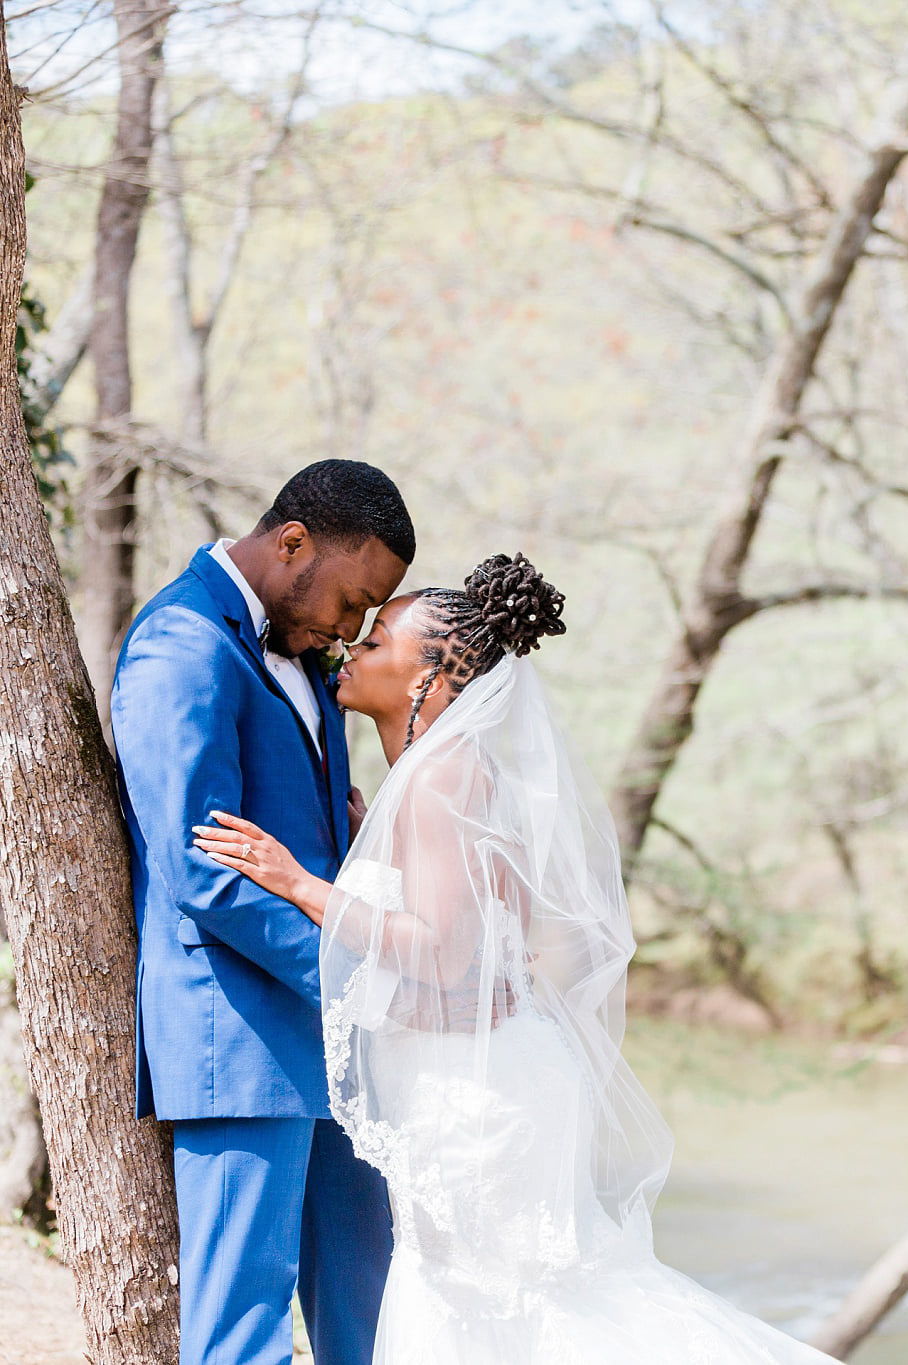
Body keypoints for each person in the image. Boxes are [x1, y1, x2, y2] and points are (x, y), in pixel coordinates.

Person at [192, 552, 841, 1365]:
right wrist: (366, 850)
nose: (352, 646)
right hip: (485, 1072)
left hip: (474, 1095)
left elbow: (440, 951)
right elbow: (488, 933)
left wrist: (297, 883)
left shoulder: (441, 780)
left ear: (431, 672)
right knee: (510, 1304)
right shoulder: (440, 777)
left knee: (501, 1305)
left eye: (380, 637)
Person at [112, 459, 411, 1365]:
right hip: (236, 1036)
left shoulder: (301, 651)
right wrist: (351, 972)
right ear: (292, 544)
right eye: (353, 602)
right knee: (243, 1331)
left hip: (337, 1039)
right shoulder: (183, 644)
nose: (352, 632)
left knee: (374, 1314)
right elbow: (200, 870)